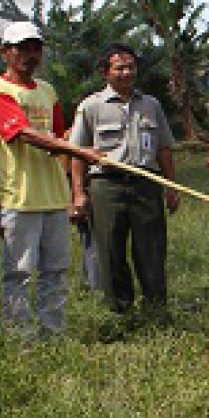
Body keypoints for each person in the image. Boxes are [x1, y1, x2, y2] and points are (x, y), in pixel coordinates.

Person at [0, 22, 102, 339]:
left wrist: (77, 190)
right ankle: (20, 339)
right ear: (5, 52)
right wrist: (78, 149)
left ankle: (53, 333)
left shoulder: (47, 91)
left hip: (54, 197)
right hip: (20, 198)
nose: (30, 55)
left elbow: (60, 137)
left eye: (36, 48)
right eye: (22, 48)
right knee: (19, 273)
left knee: (56, 271)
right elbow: (24, 134)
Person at [69, 44, 179, 320]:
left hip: (145, 183)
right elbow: (77, 154)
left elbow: (164, 148)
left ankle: (155, 311)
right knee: (110, 251)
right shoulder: (91, 106)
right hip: (106, 186)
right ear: (105, 72)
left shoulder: (151, 105)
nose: (127, 72)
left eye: (131, 66)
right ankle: (120, 313)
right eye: (119, 67)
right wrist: (78, 194)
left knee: (152, 251)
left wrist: (171, 186)